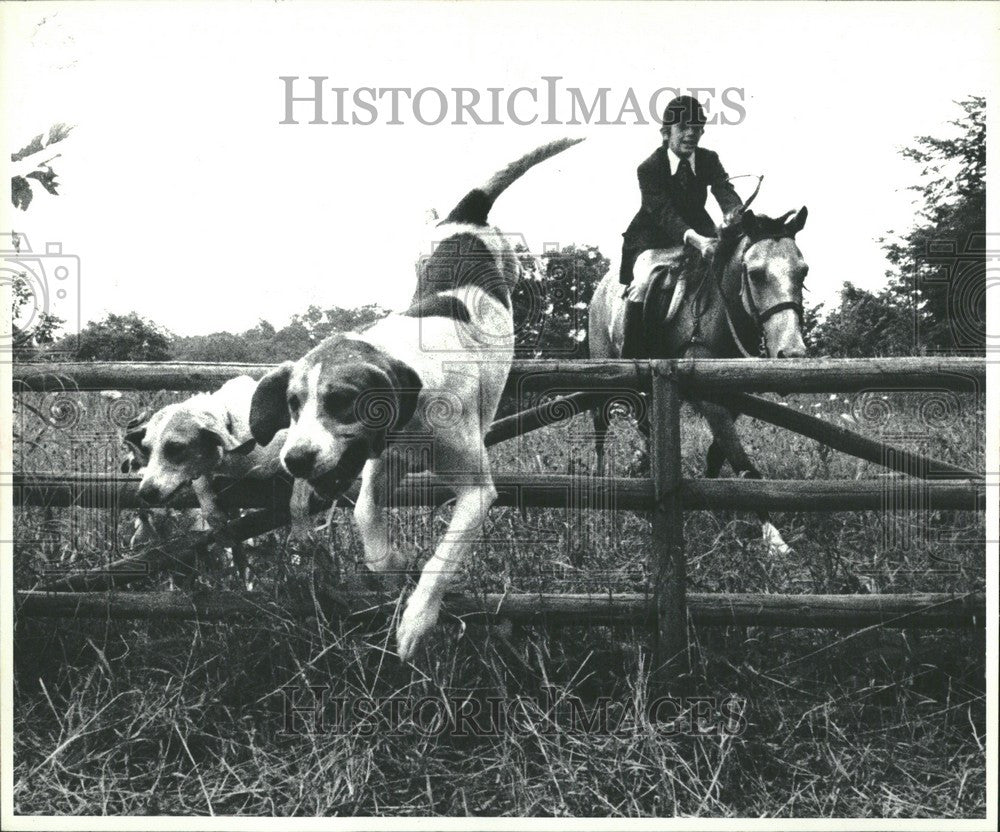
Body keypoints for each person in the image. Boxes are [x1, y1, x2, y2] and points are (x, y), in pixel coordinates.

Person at [619, 95, 743, 358]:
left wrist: (734, 214)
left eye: (697, 129)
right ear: (666, 133)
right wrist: (696, 240)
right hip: (654, 242)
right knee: (641, 286)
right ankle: (631, 361)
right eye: (683, 128)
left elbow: (725, 190)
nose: (691, 135)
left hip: (702, 239)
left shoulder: (709, 159)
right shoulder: (650, 168)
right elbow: (664, 214)